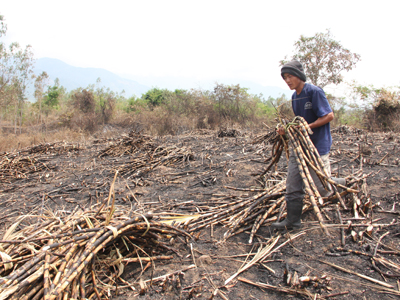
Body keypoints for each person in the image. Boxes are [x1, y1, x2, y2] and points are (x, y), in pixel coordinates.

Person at [272, 60, 344, 230]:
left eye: (290, 76)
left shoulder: (314, 92)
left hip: (317, 145)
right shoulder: (295, 96)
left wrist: (307, 127)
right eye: (285, 78)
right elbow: (299, 121)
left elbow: (329, 116)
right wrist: (286, 129)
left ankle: (343, 184)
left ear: (299, 75)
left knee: (323, 188)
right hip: (300, 146)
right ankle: (293, 222)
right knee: (293, 183)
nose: (287, 81)